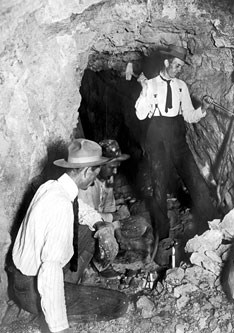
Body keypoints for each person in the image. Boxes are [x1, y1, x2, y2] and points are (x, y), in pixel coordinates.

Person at [9, 139, 128, 333]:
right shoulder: (61, 206)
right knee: (119, 303)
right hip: (33, 289)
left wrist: (101, 225)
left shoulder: (52, 187)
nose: (95, 179)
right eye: (96, 172)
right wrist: (58, 327)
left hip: (23, 279)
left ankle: (66, 292)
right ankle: (47, 312)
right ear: (86, 171)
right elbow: (50, 269)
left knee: (91, 232)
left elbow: (81, 210)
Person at [135, 44, 216, 265]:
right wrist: (143, 90)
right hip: (156, 135)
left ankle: (212, 226)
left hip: (177, 135)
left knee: (195, 179)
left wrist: (203, 109)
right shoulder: (150, 84)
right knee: (159, 185)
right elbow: (141, 114)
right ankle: (163, 236)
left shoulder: (181, 86)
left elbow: (189, 115)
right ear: (166, 62)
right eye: (176, 65)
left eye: (181, 66)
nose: (178, 70)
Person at [78, 139, 153, 274]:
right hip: (89, 228)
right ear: (100, 165)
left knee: (140, 224)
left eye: (117, 166)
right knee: (107, 228)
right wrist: (115, 218)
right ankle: (96, 266)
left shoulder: (108, 179)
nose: (115, 171)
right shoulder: (86, 183)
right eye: (112, 167)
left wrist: (120, 236)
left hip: (107, 223)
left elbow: (110, 207)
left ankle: (113, 250)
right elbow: (87, 217)